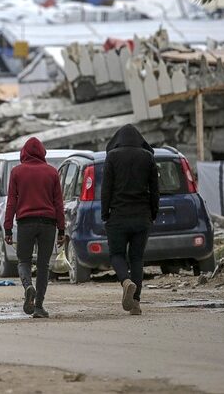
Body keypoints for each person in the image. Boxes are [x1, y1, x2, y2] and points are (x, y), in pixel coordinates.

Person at [3, 137, 65, 319]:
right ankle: (38, 306)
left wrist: (7, 228)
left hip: (25, 223)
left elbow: (11, 202)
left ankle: (28, 286)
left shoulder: (17, 172)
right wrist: (62, 230)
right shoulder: (52, 173)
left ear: (24, 153)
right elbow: (58, 204)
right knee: (44, 265)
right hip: (48, 223)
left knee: (24, 261)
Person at [101, 124, 159, 316]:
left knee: (116, 255)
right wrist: (153, 213)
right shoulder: (148, 157)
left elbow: (106, 189)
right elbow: (155, 190)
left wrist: (105, 213)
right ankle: (135, 303)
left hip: (118, 215)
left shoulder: (112, 157)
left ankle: (126, 282)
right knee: (137, 258)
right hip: (142, 216)